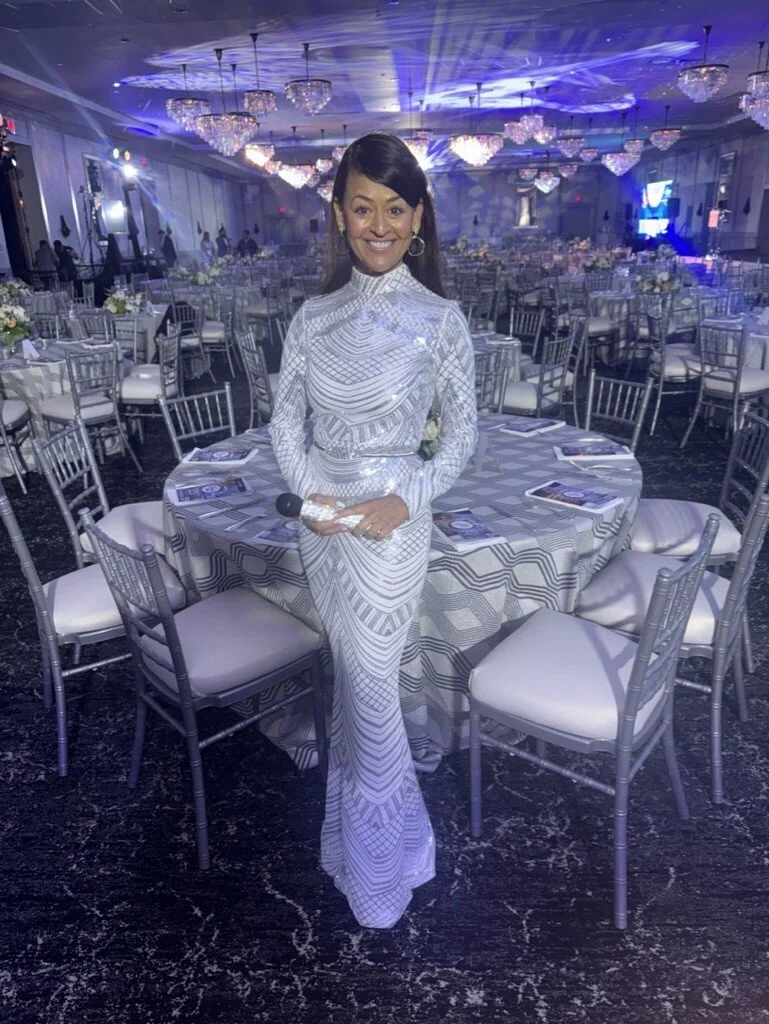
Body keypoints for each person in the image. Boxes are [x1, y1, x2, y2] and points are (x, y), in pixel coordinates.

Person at [270, 133, 477, 929]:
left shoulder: (441, 320)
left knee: (370, 691)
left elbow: (459, 435)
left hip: (393, 527)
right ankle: (367, 849)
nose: (379, 225)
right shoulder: (313, 317)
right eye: (363, 208)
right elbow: (286, 425)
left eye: (396, 208)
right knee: (358, 694)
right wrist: (315, 499)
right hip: (325, 529)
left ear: (418, 215)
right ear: (339, 213)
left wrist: (406, 496)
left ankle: (382, 874)